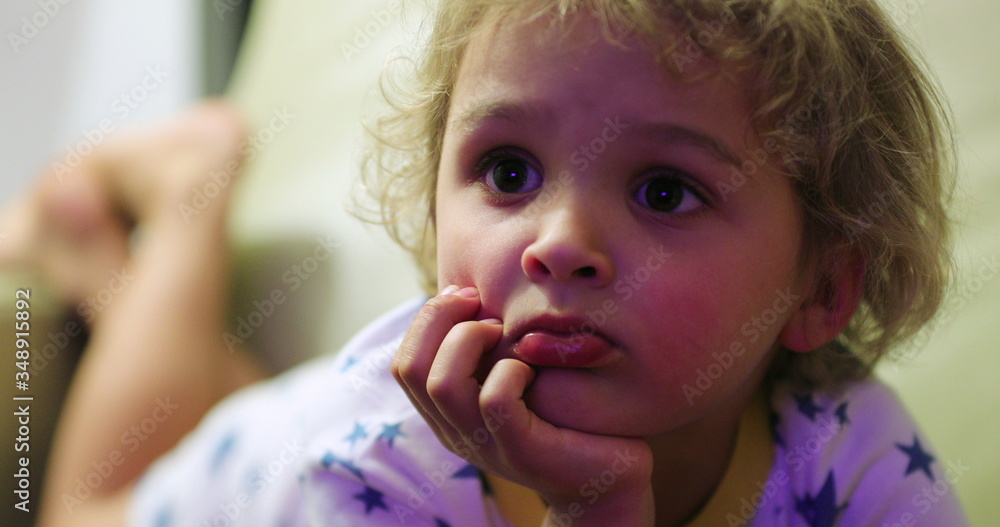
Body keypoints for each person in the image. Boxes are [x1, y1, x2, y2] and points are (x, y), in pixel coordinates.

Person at [29, 0, 968, 525]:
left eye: (665, 191)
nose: (557, 242)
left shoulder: (856, 464)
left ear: (822, 288)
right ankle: (186, 190)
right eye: (508, 170)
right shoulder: (369, 476)